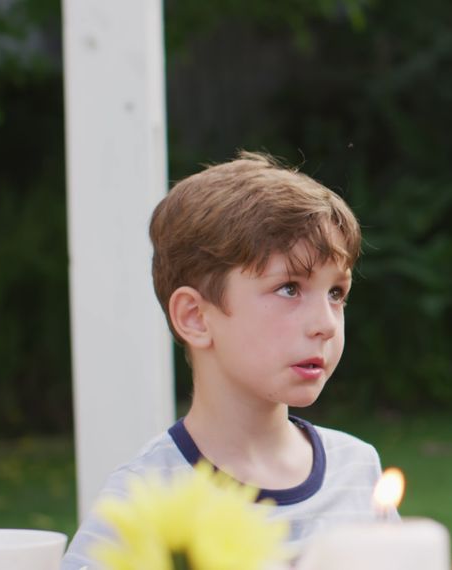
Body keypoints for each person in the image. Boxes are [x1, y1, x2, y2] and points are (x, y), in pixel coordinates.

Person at [62, 152, 396, 569]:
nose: (326, 324)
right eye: (290, 288)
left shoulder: (358, 471)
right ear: (196, 317)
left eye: (336, 293)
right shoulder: (144, 500)